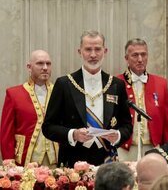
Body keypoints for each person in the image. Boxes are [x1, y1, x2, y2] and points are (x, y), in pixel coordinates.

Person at [42, 30, 133, 167]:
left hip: (107, 161)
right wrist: (73, 134)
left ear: (105, 51)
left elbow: (126, 125)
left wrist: (118, 135)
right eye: (88, 49)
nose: (93, 55)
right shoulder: (64, 84)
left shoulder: (116, 84)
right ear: (80, 52)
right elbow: (48, 127)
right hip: (72, 162)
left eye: (97, 49)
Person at [117, 38, 168, 161]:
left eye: (143, 54)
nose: (140, 59)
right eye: (135, 55)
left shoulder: (161, 83)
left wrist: (167, 147)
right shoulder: (116, 82)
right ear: (126, 58)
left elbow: (167, 120)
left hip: (154, 146)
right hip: (125, 147)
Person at [0, 50, 58, 167]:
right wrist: (9, 161)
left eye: (48, 63)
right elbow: (7, 131)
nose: (45, 67)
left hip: (55, 159)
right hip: (25, 160)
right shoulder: (14, 94)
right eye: (40, 63)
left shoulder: (59, 92)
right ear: (29, 67)